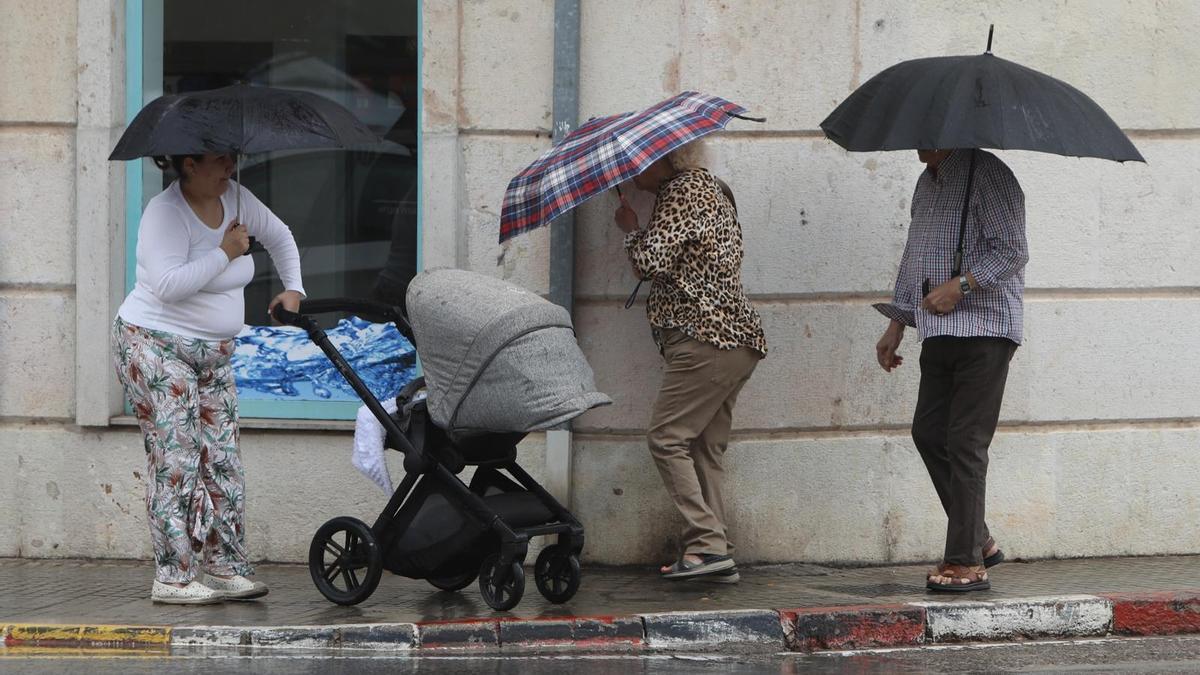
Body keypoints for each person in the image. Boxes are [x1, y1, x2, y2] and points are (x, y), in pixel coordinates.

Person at [111, 153, 306, 604]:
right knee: (176, 460)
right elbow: (168, 285)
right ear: (189, 163)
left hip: (213, 357)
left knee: (223, 461)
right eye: (220, 162)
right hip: (154, 345)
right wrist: (226, 252)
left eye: (233, 160)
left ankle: (224, 566)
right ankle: (173, 577)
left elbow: (280, 236)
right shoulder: (165, 214)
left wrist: (294, 287)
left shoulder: (237, 199)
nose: (230, 170)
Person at [874, 148, 1027, 592]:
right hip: (938, 329)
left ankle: (965, 562)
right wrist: (896, 324)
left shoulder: (990, 174)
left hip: (986, 328)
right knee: (928, 432)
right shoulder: (927, 182)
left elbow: (1013, 251)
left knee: (965, 440)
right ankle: (979, 539)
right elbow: (913, 258)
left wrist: (961, 285)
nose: (916, 140)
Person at [614, 149, 767, 584]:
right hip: (733, 341)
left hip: (706, 339)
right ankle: (716, 552)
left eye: (639, 162)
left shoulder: (684, 191)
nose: (632, 171)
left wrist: (630, 230)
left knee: (665, 438)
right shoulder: (710, 189)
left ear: (669, 160)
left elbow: (650, 262)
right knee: (703, 447)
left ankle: (704, 543)